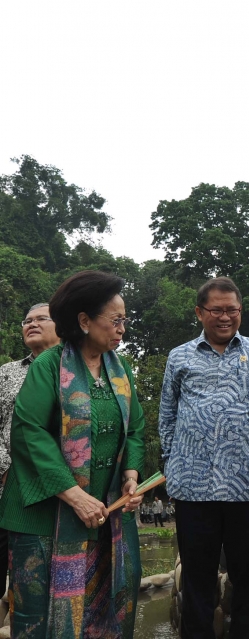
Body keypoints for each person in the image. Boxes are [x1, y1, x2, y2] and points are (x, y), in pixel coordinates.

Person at [0, 270, 145, 638]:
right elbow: (28, 432)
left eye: (124, 321)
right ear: (83, 321)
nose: (122, 329)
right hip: (44, 517)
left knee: (100, 613)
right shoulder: (50, 365)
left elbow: (135, 429)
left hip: (102, 516)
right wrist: (74, 494)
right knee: (39, 617)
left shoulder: (120, 369)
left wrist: (130, 476)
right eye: (116, 321)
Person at [159, 276, 249, 639]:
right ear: (200, 312)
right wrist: (173, 462)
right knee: (197, 580)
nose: (225, 317)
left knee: (248, 577)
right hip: (193, 490)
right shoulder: (179, 356)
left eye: (233, 310)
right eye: (217, 310)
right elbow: (167, 414)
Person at [0, 303, 60, 596]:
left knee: (43, 581)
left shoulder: (77, 371)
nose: (31, 324)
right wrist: (7, 466)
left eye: (41, 319)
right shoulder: (7, 373)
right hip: (6, 484)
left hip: (60, 490)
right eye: (26, 320)